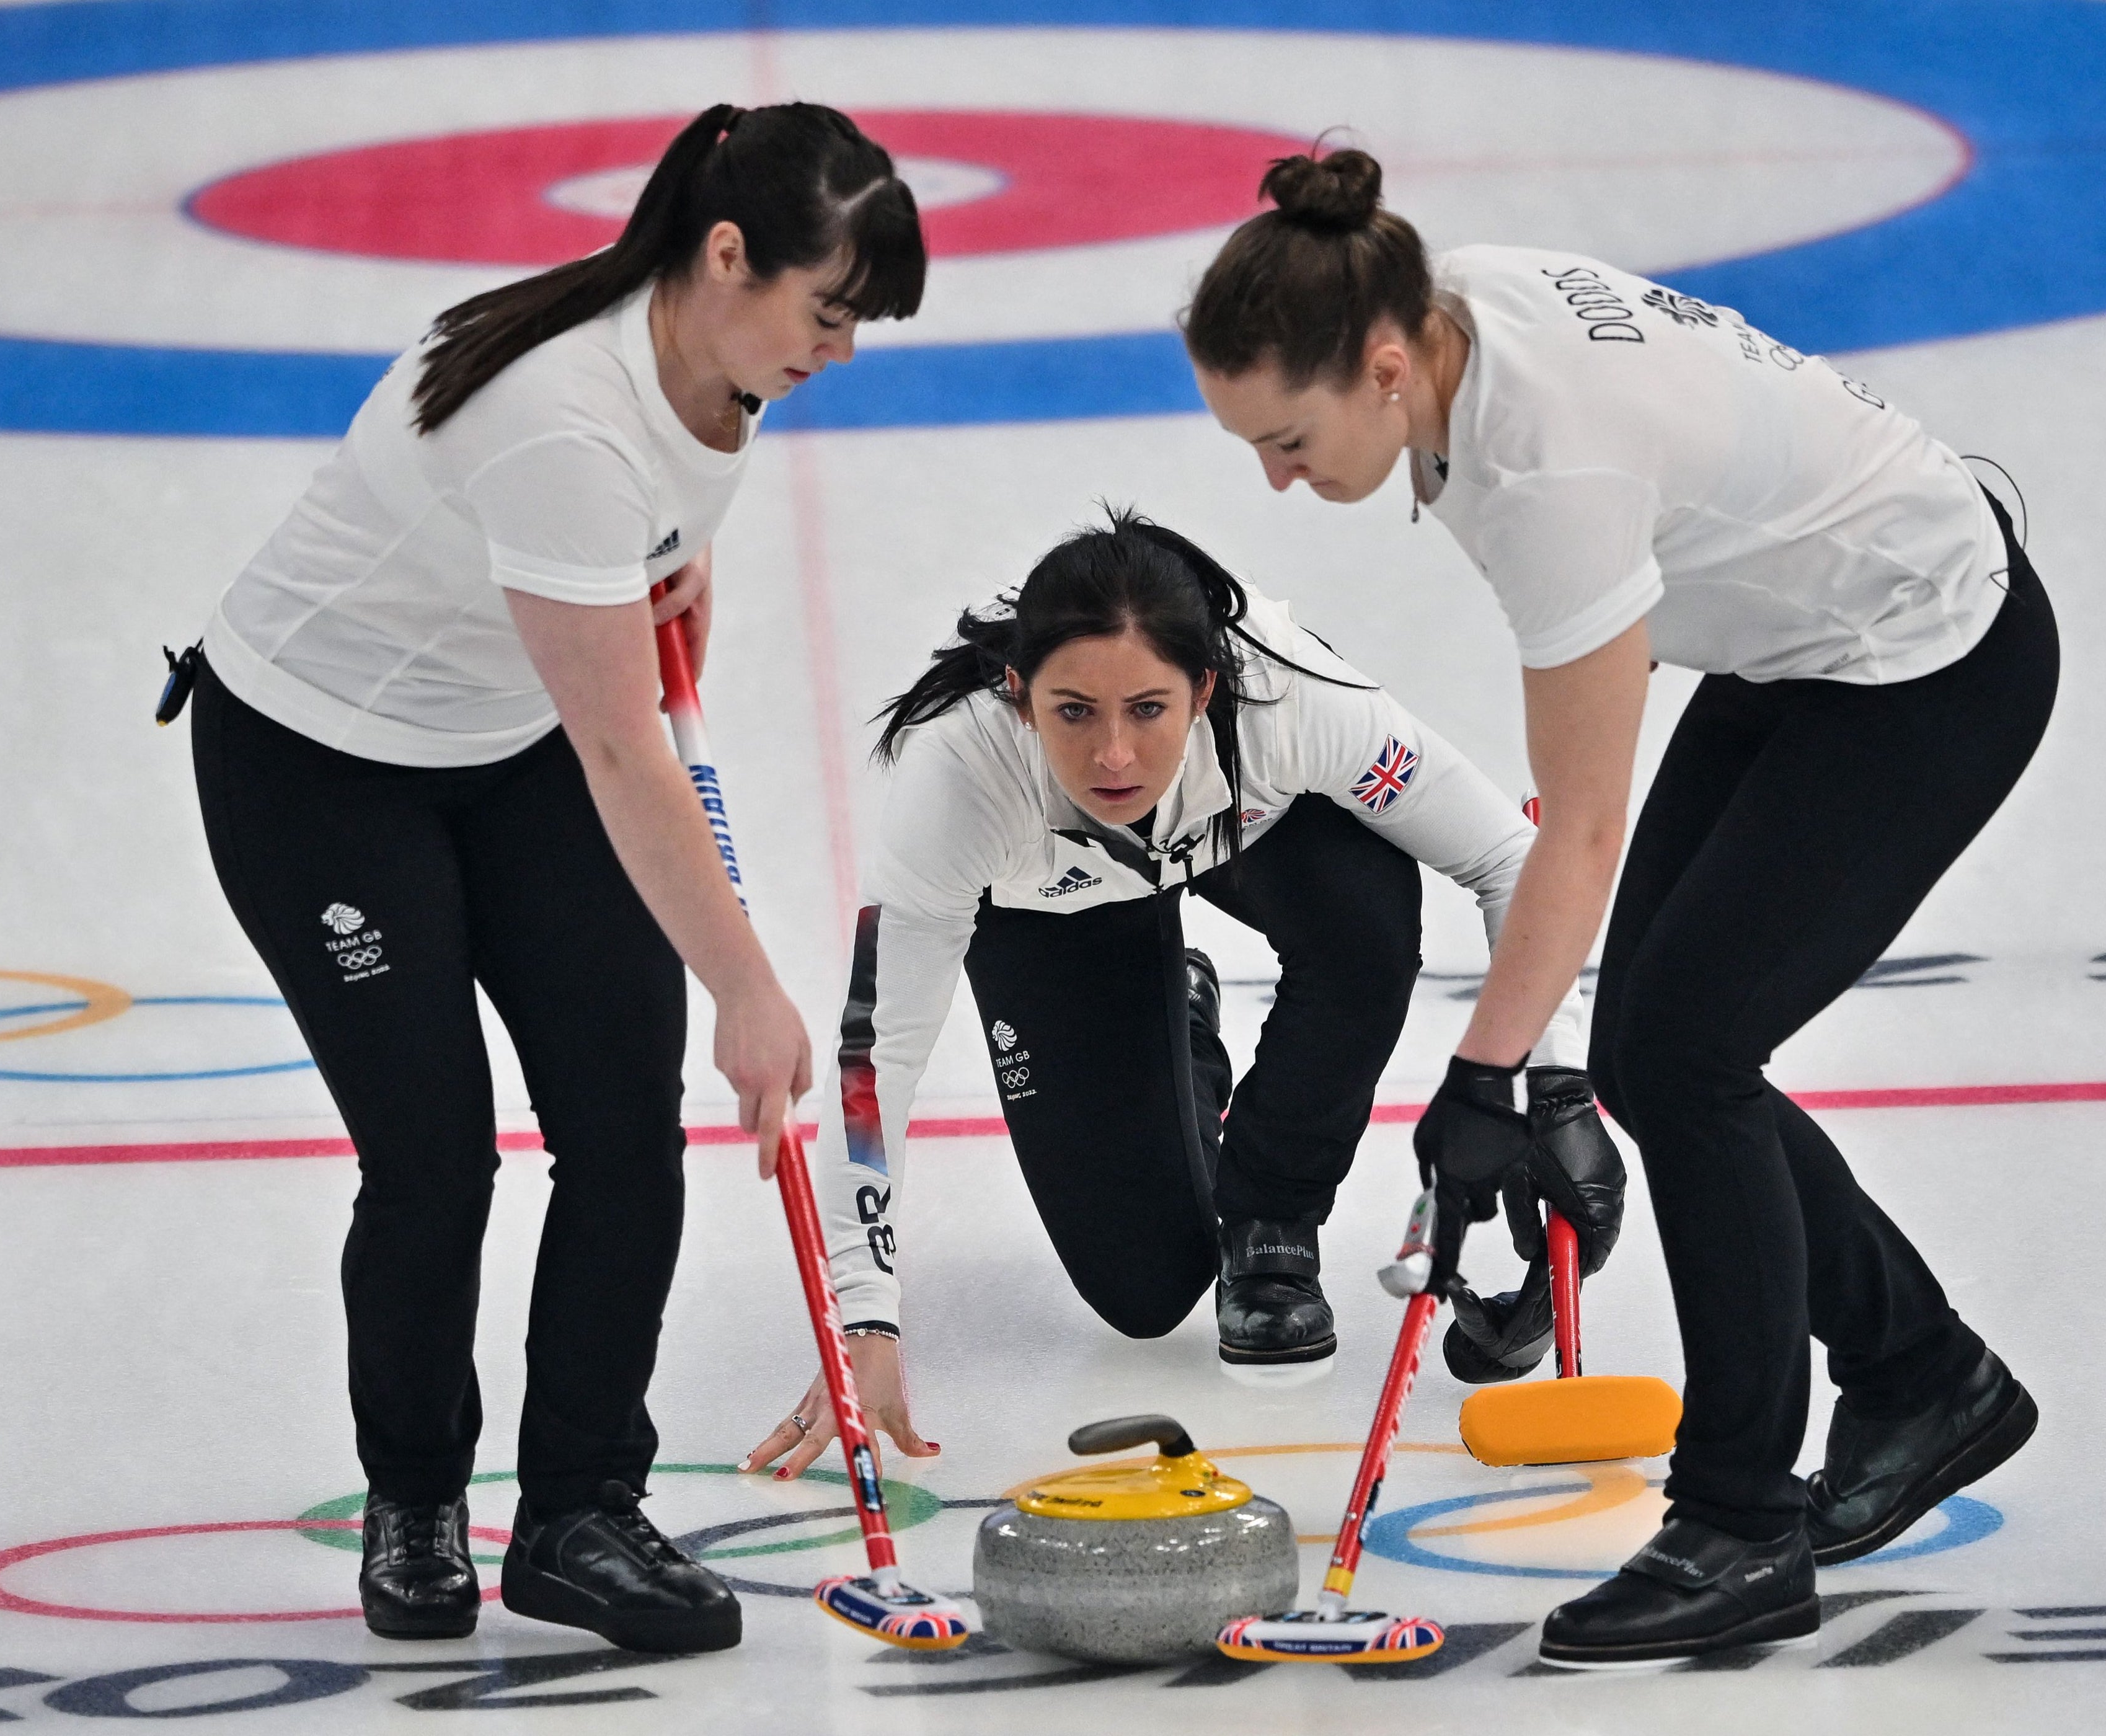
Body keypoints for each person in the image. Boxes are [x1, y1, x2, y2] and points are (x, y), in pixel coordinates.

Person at [1184, 149, 2056, 1668]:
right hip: (1802, 643)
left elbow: (1577, 833)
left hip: (1929, 668)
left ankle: (1738, 1523)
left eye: (1286, 438)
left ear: (1386, 367)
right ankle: (1923, 1374)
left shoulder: (1543, 472)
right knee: (1660, 1055)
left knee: (1690, 1058)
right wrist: (1509, 1071)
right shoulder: (1449, 311)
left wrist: (1480, 1084)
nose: (1275, 476)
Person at [175, 103, 924, 1654]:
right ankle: (417, 1495)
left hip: (505, 736)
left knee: (622, 1128)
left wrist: (674, 559)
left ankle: (580, 1506)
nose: (840, 352)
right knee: (438, 1154)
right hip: (320, 768)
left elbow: (634, 563)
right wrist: (751, 987)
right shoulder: (559, 413)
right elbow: (625, 753)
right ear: (727, 256)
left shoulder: (722, 356)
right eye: (830, 313)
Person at [740, 510, 1622, 1482]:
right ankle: (1177, 1019)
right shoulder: (957, 781)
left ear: (1205, 689)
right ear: (1019, 694)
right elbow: (876, 1066)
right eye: (1073, 711)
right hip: (1054, 909)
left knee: (1371, 915)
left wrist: (1558, 1089)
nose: (1114, 757)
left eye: (1148, 710)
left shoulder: (1289, 698)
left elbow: (1510, 860)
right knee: (1148, 1289)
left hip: (1252, 830)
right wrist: (861, 1315)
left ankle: (1272, 1223)